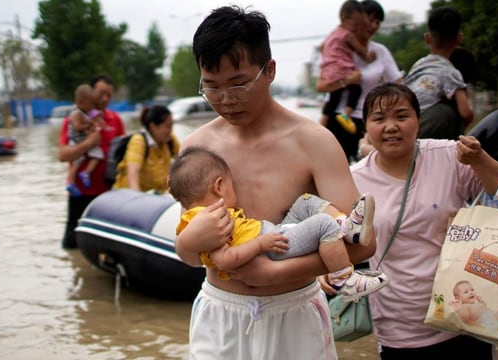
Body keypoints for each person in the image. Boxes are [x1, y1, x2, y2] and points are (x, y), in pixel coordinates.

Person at [176, 5, 375, 359]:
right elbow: (190, 254)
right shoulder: (196, 148)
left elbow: (362, 244)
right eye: (211, 87)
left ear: (269, 71)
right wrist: (188, 242)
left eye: (238, 83)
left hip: (294, 310)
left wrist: (273, 274)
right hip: (221, 312)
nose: (225, 100)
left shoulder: (314, 142)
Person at [338, 82, 498, 358]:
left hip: (464, 313)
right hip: (400, 324)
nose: (390, 126)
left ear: (418, 121)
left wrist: (479, 159)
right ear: (366, 126)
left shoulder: (450, 156)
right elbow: (335, 238)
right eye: (379, 119)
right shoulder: (354, 180)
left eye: (401, 116)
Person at [169, 146, 385, 302]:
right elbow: (225, 260)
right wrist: (261, 245)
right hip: (272, 248)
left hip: (273, 233)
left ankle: (346, 226)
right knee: (322, 224)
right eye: (233, 185)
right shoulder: (209, 220)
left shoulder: (200, 215)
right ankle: (344, 279)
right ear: (219, 186)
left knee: (305, 202)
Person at [316, 0, 403, 163]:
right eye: (370, 20)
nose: (373, 26)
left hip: (368, 120)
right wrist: (348, 80)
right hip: (338, 118)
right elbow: (320, 86)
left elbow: (399, 84)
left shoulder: (380, 51)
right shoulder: (337, 48)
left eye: (378, 22)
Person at [58, 75, 125, 249]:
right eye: (101, 93)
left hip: (107, 193)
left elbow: (123, 153)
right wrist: (89, 144)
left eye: (109, 95)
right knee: (72, 244)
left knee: (103, 246)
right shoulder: (74, 120)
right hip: (79, 192)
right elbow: (62, 155)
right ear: (90, 93)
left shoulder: (115, 120)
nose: (104, 99)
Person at [404, 6, 473, 140]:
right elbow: (465, 112)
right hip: (423, 127)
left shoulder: (418, 64)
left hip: (405, 120)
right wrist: (469, 120)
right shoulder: (451, 72)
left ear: (427, 38)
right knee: (450, 113)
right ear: (459, 38)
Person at [318, 0, 376, 133]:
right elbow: (361, 52)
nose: (356, 28)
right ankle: (346, 115)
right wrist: (370, 57)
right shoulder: (348, 35)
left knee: (334, 97)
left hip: (330, 70)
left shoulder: (332, 34)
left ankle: (323, 121)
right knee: (356, 90)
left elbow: (322, 47)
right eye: (355, 24)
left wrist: (329, 57)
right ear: (344, 19)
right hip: (343, 68)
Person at [112, 104, 179, 193]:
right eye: (167, 126)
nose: (170, 130)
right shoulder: (138, 141)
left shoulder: (169, 140)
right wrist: (137, 198)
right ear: (153, 127)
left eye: (171, 126)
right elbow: (133, 173)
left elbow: (184, 159)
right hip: (129, 196)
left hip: (157, 194)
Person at [65, 84, 103, 197]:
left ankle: (84, 174)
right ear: (81, 102)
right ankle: (72, 181)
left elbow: (93, 116)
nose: (92, 107)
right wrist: (87, 126)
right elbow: (77, 127)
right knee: (78, 162)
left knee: (93, 156)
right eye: (90, 104)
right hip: (76, 141)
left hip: (81, 140)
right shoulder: (76, 114)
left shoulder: (84, 113)